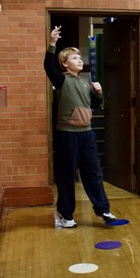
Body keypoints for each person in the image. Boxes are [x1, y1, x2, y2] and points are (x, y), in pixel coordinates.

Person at [45, 26, 118, 228]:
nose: (79, 60)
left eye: (79, 57)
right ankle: (64, 214)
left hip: (87, 134)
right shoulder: (61, 80)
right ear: (64, 64)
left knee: (93, 173)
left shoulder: (86, 81)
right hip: (67, 135)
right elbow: (48, 67)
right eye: (74, 58)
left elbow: (93, 106)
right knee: (67, 176)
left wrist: (99, 93)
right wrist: (52, 43)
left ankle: (103, 210)